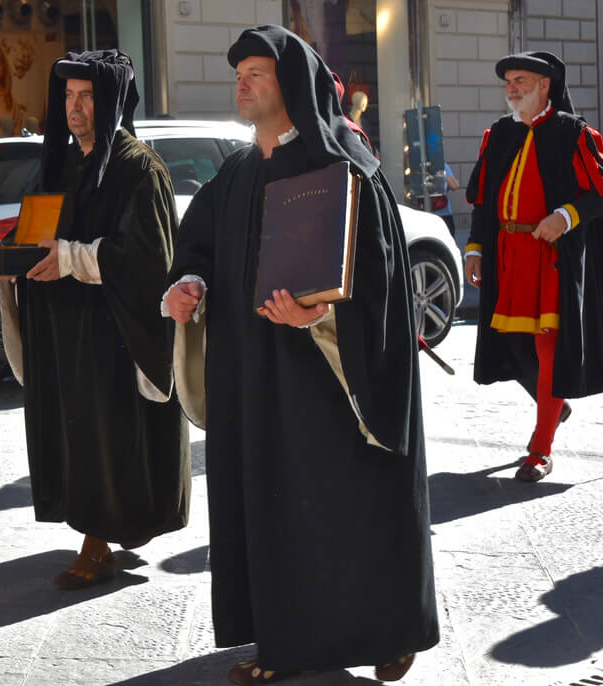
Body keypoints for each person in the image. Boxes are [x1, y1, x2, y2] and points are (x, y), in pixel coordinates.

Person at [163, 26, 438, 683]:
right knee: (273, 510)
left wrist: (321, 314)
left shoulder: (345, 166)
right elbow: (196, 247)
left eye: (256, 73)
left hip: (330, 383)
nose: (243, 83)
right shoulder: (234, 173)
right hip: (255, 381)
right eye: (241, 74)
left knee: (347, 507)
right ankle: (283, 639)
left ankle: (388, 629)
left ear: (291, 85)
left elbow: (380, 280)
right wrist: (187, 285)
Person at [0, 49, 190, 590]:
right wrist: (13, 256)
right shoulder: (60, 165)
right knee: (76, 433)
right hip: (63, 331)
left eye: (86, 97)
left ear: (108, 103)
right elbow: (39, 236)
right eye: (67, 96)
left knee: (107, 434)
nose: (74, 108)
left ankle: (99, 540)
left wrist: (74, 258)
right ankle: (100, 528)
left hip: (111, 334)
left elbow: (149, 257)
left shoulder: (139, 168)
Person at [464, 51, 603, 482]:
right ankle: (555, 406)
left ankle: (540, 450)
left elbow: (598, 194)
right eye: (508, 81)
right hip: (507, 255)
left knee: (547, 350)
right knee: (513, 347)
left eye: (521, 80)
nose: (512, 87)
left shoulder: (573, 134)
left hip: (550, 258)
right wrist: (474, 247)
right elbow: (484, 199)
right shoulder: (498, 135)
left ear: (545, 85)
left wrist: (565, 216)